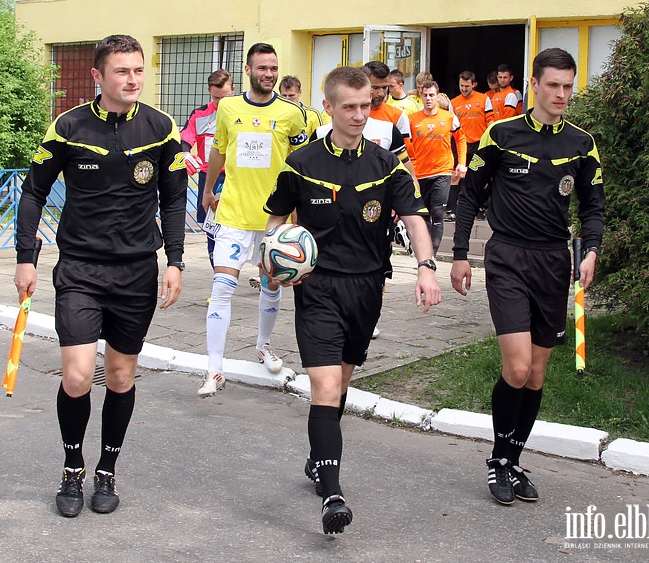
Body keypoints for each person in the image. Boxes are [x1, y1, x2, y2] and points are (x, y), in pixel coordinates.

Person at [14, 34, 188, 518]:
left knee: (119, 374)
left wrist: (174, 260)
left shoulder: (161, 127)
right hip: (80, 269)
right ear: (98, 76)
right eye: (121, 71)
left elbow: (174, 199)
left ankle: (107, 470)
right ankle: (73, 467)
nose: (132, 79)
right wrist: (25, 256)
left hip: (136, 271)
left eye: (138, 70)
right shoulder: (67, 127)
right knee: (75, 376)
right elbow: (33, 193)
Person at [263, 66, 442, 534]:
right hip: (316, 288)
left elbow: (416, 217)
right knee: (323, 388)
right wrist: (273, 261)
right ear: (329, 108)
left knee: (339, 388)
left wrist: (425, 267)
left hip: (366, 289)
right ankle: (332, 494)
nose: (360, 115)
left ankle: (319, 456)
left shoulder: (387, 163)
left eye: (366, 106)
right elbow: (276, 220)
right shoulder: (300, 163)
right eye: (350, 107)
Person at [450, 48, 605, 506]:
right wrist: (459, 255)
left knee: (536, 375)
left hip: (554, 264)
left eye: (568, 86)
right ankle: (498, 460)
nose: (561, 94)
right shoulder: (501, 134)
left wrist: (591, 250)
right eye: (553, 85)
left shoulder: (582, 142)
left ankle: (514, 462)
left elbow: (594, 205)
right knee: (516, 368)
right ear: (533, 84)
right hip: (509, 259)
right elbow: (468, 197)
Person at [198, 42, 308, 397]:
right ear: (248, 70)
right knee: (222, 288)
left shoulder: (292, 113)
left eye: (274, 68)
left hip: (274, 220)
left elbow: (301, 162)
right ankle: (214, 368)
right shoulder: (228, 107)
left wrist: (300, 212)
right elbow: (219, 149)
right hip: (232, 212)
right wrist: (208, 189)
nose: (269, 74)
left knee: (271, 285)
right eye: (262, 68)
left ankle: (263, 345)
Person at [180, 69, 234, 265]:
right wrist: (185, 154)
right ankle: (217, 272)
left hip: (235, 178)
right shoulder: (200, 114)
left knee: (232, 229)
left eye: (225, 97)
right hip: (208, 178)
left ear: (233, 90)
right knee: (210, 227)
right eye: (215, 97)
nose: (220, 102)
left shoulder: (241, 114)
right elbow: (185, 138)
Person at [406, 80, 465, 258]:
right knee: (422, 216)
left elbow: (461, 139)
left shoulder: (449, 117)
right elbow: (405, 146)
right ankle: (422, 252)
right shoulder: (412, 119)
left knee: (438, 212)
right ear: (420, 97)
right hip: (420, 173)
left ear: (438, 97)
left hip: (442, 171)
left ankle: (432, 255)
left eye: (432, 95)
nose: (429, 99)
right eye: (425, 95)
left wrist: (461, 163)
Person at [448, 71, 494, 219]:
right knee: (457, 176)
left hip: (479, 144)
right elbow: (450, 126)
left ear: (474, 84)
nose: (464, 89)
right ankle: (452, 210)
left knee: (479, 177)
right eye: (462, 85)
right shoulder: (453, 102)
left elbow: (490, 121)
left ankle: (479, 207)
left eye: (467, 86)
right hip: (460, 144)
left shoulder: (484, 98)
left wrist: (491, 141)